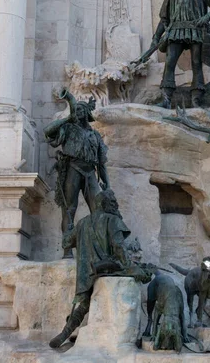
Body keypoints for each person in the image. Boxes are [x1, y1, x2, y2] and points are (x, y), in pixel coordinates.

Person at [49, 189, 151, 349]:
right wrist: (130, 265)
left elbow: (66, 243)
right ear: (106, 204)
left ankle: (65, 332)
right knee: (142, 273)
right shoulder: (113, 220)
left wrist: (69, 229)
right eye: (113, 203)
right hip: (107, 269)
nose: (116, 206)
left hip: (86, 276)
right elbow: (119, 248)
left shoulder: (82, 223)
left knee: (83, 305)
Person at [44, 90, 109, 258]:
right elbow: (48, 132)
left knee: (99, 209)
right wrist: (67, 118)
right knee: (69, 210)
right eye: (76, 110)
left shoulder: (95, 135)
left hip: (90, 173)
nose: (78, 112)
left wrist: (107, 183)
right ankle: (67, 251)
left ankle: (98, 251)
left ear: (87, 113)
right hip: (72, 170)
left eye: (81, 110)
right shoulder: (68, 129)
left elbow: (101, 162)